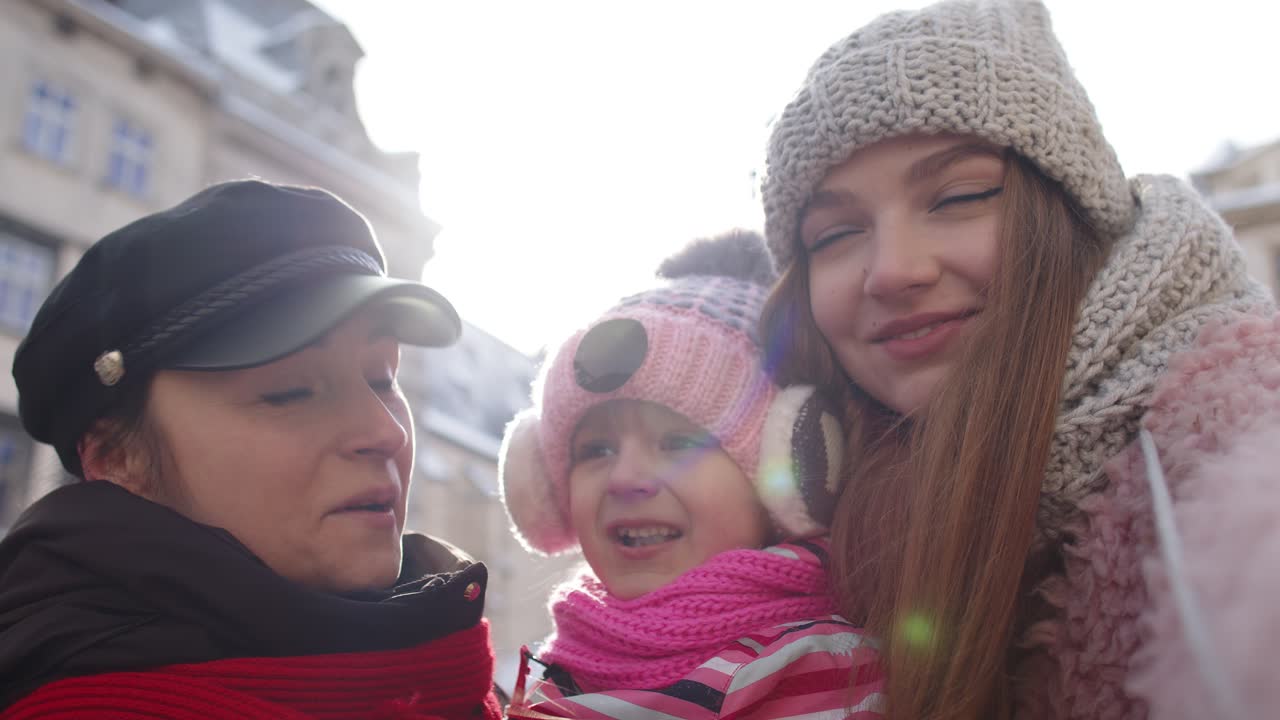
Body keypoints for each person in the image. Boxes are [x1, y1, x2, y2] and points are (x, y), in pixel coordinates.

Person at [758, 1, 1280, 718]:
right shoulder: (833, 510)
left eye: (960, 196)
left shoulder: (1230, 430)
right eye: (834, 235)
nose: (892, 270)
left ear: (1070, 210)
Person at [0, 180, 503, 719]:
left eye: (382, 378)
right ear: (118, 460)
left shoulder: (449, 676)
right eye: (290, 391)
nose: (386, 433)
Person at [497, 231, 884, 719]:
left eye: (679, 443)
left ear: (788, 470)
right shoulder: (571, 653)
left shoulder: (809, 672)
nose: (626, 478)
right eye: (596, 449)